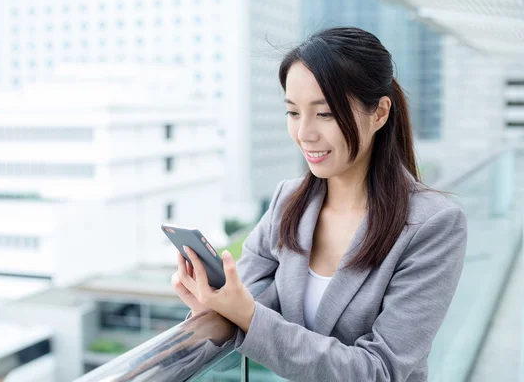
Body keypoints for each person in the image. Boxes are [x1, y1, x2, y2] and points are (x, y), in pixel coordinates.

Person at [171, 26, 468, 382]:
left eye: (324, 114)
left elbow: (381, 371)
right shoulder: (288, 202)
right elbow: (248, 308)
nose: (305, 133)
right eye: (293, 113)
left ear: (379, 113)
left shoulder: (433, 224)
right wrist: (211, 306)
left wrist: (244, 314)